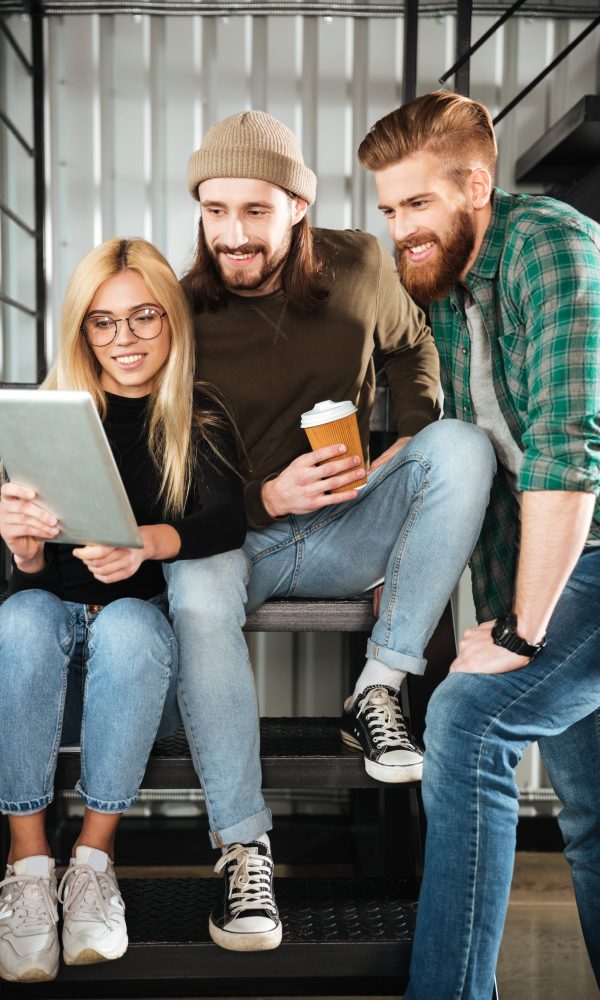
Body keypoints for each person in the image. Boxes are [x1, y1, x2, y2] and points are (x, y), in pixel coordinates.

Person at [168, 108, 495, 891]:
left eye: (255, 210)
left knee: (463, 446)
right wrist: (262, 495)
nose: (233, 234)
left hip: (348, 526)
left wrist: (411, 434)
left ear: (299, 206)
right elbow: (159, 463)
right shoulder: (178, 308)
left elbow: (412, 342)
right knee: (192, 591)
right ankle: (244, 848)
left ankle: (377, 689)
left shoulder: (358, 266)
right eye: (215, 211)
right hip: (233, 541)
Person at [358, 90, 600, 998]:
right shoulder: (450, 291)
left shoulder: (549, 247)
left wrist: (523, 630)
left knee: (467, 721)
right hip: (547, 565)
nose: (400, 230)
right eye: (387, 209)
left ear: (477, 184)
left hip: (588, 554)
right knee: (593, 816)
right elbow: (468, 460)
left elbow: (569, 446)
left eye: (418, 203)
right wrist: (403, 559)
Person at [0, 237, 248, 982]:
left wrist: (145, 544)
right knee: (19, 619)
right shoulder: (42, 419)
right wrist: (22, 551)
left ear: (172, 320)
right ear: (81, 330)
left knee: (137, 624)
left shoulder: (198, 418)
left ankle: (95, 860)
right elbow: (24, 586)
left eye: (144, 317)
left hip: (133, 685)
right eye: (103, 323)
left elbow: (229, 521)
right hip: (39, 676)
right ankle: (29, 865)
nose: (125, 339)